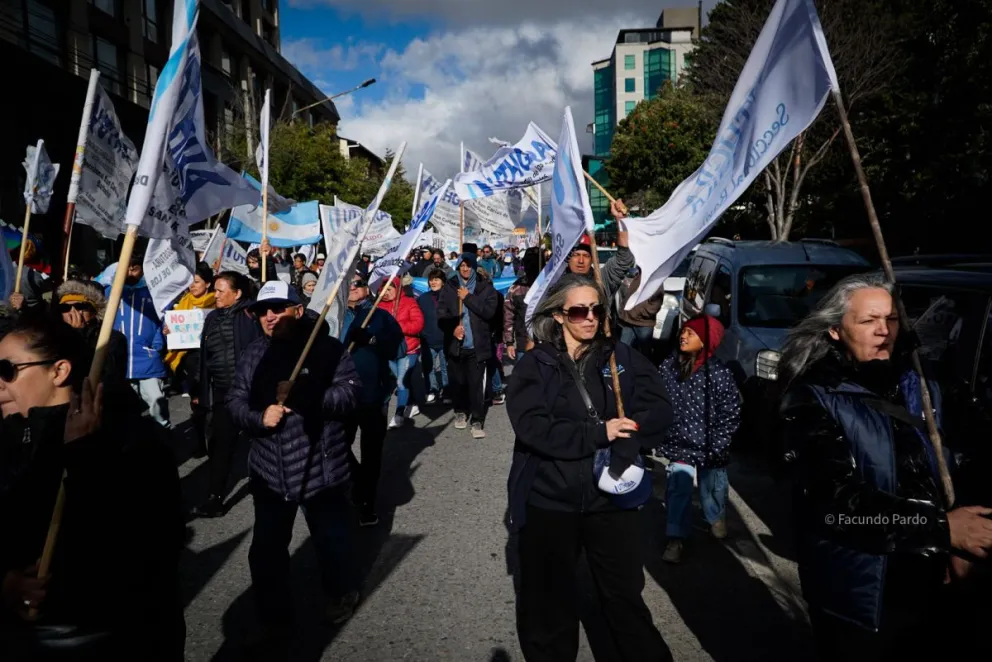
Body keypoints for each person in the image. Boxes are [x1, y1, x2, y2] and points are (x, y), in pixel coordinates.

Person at [778, 273, 992, 661]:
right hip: (865, 594)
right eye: (868, 320)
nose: (884, 331)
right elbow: (833, 504)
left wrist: (966, 539)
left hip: (941, 582)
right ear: (835, 331)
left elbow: (974, 456)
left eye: (891, 319)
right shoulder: (812, 397)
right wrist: (941, 528)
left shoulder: (928, 382)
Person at [506, 274, 673, 662]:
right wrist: (598, 433)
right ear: (559, 315)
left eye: (597, 309)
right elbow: (533, 428)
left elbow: (659, 408)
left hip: (610, 501)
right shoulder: (536, 365)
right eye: (579, 311)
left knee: (623, 598)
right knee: (549, 605)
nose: (590, 318)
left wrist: (630, 434)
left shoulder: (621, 357)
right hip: (549, 501)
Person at [0, 317, 185, 659]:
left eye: (7, 370)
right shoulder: (9, 439)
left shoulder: (128, 440)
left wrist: (86, 460)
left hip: (109, 639)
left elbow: (146, 553)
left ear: (59, 371)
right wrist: (6, 583)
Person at [226, 281, 362, 638]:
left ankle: (341, 593)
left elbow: (350, 396)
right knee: (267, 548)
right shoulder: (253, 354)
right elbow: (235, 401)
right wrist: (258, 418)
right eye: (262, 311)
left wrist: (306, 394)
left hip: (320, 466)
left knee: (332, 541)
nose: (269, 317)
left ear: (298, 311)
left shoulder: (327, 349)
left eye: (278, 309)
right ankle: (272, 610)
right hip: (269, 470)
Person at [657, 315, 741, 563]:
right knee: (677, 489)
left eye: (691, 333)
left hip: (710, 446)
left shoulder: (719, 374)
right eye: (683, 331)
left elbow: (731, 413)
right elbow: (657, 398)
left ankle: (715, 516)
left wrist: (719, 443)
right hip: (679, 443)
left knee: (713, 486)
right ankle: (675, 538)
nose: (683, 336)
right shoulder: (669, 367)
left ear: (706, 341)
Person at [191, 272, 262, 518]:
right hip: (223, 393)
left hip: (251, 392)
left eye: (221, 291)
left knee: (260, 440)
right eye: (215, 290)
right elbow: (204, 357)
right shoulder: (212, 318)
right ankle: (215, 497)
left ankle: (264, 483)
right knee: (220, 444)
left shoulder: (252, 315)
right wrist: (199, 389)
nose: (216, 295)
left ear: (237, 293)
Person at [340, 272, 403, 527]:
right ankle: (357, 481)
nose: (353, 288)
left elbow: (399, 349)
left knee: (371, 453)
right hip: (341, 395)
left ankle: (367, 501)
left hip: (373, 395)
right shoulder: (333, 315)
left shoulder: (380, 316)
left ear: (368, 288)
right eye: (349, 284)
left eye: (359, 284)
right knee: (337, 446)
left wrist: (373, 339)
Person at [437, 252, 499, 438]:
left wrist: (468, 298)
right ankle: (461, 411)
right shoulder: (450, 286)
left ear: (474, 267)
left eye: (468, 265)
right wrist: (452, 328)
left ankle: (477, 419)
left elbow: (489, 313)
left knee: (476, 385)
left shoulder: (485, 288)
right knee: (458, 382)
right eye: (461, 266)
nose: (465, 269)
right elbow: (441, 314)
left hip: (476, 346)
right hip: (455, 345)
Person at [109, 255, 170, 428]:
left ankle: (164, 437)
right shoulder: (110, 292)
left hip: (147, 360)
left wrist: (156, 346)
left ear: (142, 270)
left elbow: (165, 321)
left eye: (134, 268)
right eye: (125, 268)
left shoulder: (155, 292)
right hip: (120, 362)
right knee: (127, 413)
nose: (129, 272)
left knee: (158, 406)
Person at [52, 278, 130, 410]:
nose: (72, 312)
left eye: (80, 306)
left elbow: (108, 375)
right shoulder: (54, 337)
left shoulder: (112, 338)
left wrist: (78, 335)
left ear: (95, 310)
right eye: (65, 308)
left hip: (106, 407)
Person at [163, 262, 216, 453]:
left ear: (207, 284)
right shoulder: (184, 302)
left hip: (211, 359)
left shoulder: (215, 303)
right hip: (190, 360)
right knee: (196, 404)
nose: (192, 286)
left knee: (212, 404)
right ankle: (201, 443)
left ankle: (215, 441)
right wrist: (169, 330)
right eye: (190, 282)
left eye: (197, 282)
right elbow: (174, 329)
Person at [377, 276, 425, 428]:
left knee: (401, 382)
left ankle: (399, 414)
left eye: (389, 289)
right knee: (401, 379)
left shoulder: (409, 302)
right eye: (384, 290)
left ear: (397, 289)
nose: (386, 293)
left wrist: (398, 326)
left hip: (408, 349)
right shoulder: (378, 306)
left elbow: (418, 324)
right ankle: (412, 402)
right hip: (389, 351)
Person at [504, 248, 541, 360]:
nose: (532, 266)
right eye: (529, 262)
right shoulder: (517, 288)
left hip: (547, 344)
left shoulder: (550, 286)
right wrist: (509, 342)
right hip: (523, 344)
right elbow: (508, 315)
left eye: (536, 261)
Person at [418, 268, 448, 404]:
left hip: (445, 339)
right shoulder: (422, 298)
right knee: (428, 367)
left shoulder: (449, 297)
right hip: (428, 339)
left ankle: (447, 390)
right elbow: (418, 318)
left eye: (436, 279)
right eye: (431, 280)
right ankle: (432, 390)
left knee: (445, 368)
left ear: (443, 281)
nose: (433, 282)